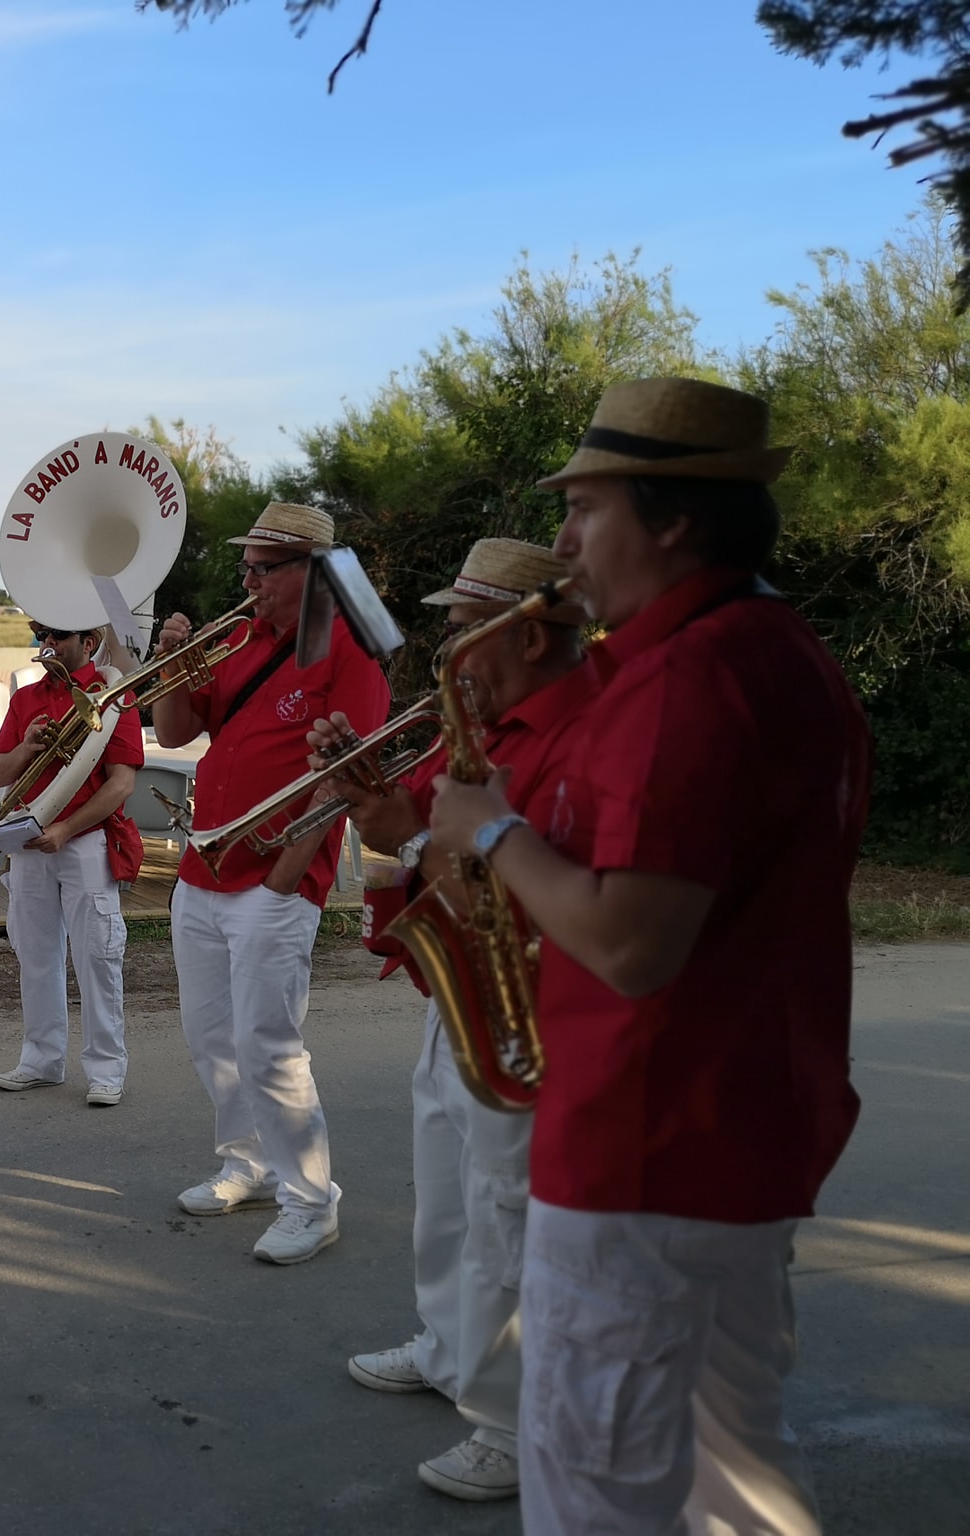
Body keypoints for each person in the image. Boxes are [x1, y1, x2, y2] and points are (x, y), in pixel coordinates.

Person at [427, 379, 869, 1534]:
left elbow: (629, 943)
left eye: (583, 509)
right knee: (734, 1482)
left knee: (595, 1492)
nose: (563, 544)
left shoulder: (687, 676)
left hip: (640, 1146)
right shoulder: (776, 653)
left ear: (669, 519)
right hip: (725, 1140)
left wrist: (486, 828)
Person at [312, 538, 596, 1503]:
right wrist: (373, 804)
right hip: (458, 992)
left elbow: (532, 883)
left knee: (505, 1213)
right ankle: (449, 1350)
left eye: (469, 635)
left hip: (527, 1009)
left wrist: (429, 844)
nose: (455, 657)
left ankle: (513, 1427)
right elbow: (415, 836)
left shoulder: (585, 729)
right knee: (447, 1191)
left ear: (537, 638)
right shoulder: (480, 723)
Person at [151, 503, 391, 1264]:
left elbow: (345, 778)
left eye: (262, 569)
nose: (247, 582)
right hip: (205, 869)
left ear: (311, 575)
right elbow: (177, 731)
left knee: (268, 1044)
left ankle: (311, 1200)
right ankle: (247, 1162)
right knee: (209, 1034)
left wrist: (287, 882)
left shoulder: (348, 652)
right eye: (246, 567)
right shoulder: (244, 639)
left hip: (274, 880)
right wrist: (177, 663)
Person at [0, 622, 142, 1105]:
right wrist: (28, 746)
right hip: (30, 840)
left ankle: (106, 1069)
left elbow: (120, 784)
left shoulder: (115, 696)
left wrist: (66, 829)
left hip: (85, 841)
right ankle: (41, 1059)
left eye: (58, 637)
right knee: (35, 954)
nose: (47, 645)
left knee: (96, 956)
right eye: (42, 637)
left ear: (88, 643)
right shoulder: (26, 699)